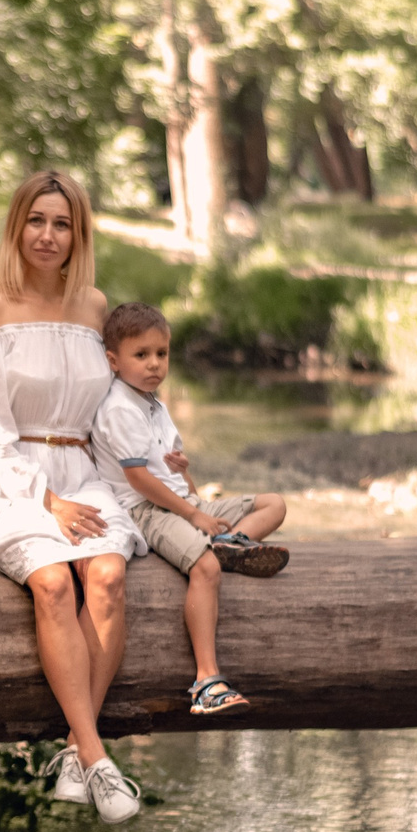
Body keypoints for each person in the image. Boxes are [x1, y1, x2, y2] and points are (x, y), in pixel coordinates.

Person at [0, 170, 144, 823]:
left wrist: (154, 465)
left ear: (78, 234)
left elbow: (119, 406)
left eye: (61, 223)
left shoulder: (95, 308)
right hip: (12, 477)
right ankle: (97, 757)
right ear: (16, 227)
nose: (47, 234)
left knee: (110, 575)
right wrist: (47, 501)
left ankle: (73, 747)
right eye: (36, 221)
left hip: (84, 471)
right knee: (54, 585)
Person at [92, 300, 290, 717]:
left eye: (161, 354)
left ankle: (230, 543)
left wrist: (191, 486)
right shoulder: (119, 408)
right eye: (141, 355)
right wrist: (194, 515)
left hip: (182, 502)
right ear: (113, 360)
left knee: (274, 503)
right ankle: (206, 680)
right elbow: (139, 480)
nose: (154, 365)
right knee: (205, 568)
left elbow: (174, 476)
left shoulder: (155, 405)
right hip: (147, 510)